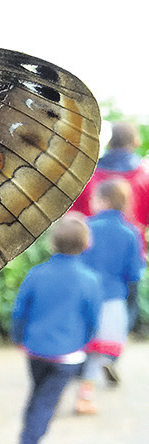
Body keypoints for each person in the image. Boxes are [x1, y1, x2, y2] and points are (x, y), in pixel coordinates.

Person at [7, 213, 101, 444]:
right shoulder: (90, 280)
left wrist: (18, 338)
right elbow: (93, 321)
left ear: (53, 242)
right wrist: (84, 343)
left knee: (38, 396)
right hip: (68, 355)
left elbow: (19, 311)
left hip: (35, 350)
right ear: (86, 244)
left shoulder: (37, 274)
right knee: (45, 403)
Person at [75, 178, 145, 413]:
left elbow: (77, 261)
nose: (91, 203)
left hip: (85, 295)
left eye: (94, 199)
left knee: (87, 343)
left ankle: (83, 381)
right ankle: (90, 388)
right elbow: (134, 272)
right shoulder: (131, 231)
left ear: (104, 201)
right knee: (103, 345)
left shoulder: (87, 226)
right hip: (113, 297)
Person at [70, 121, 149, 329]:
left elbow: (72, 213)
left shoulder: (90, 174)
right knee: (126, 300)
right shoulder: (142, 177)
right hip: (131, 248)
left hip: (88, 246)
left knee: (84, 299)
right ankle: (114, 346)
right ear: (135, 141)